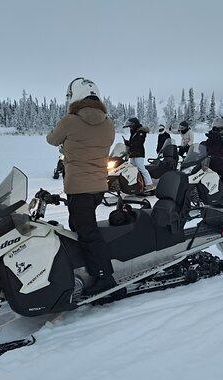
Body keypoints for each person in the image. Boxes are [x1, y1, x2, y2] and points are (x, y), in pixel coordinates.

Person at [46, 77, 116, 295]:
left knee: (87, 232)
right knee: (79, 226)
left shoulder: (69, 120)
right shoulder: (109, 123)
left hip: (78, 187)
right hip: (98, 186)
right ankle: (86, 267)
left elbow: (51, 139)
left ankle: (105, 279)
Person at [123, 117, 155, 191]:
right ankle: (134, 184)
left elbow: (138, 142)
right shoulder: (134, 131)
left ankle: (149, 184)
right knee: (132, 169)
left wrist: (130, 144)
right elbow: (133, 142)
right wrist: (127, 142)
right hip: (133, 153)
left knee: (141, 168)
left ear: (134, 124)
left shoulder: (141, 132)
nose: (130, 128)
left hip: (138, 153)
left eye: (131, 126)